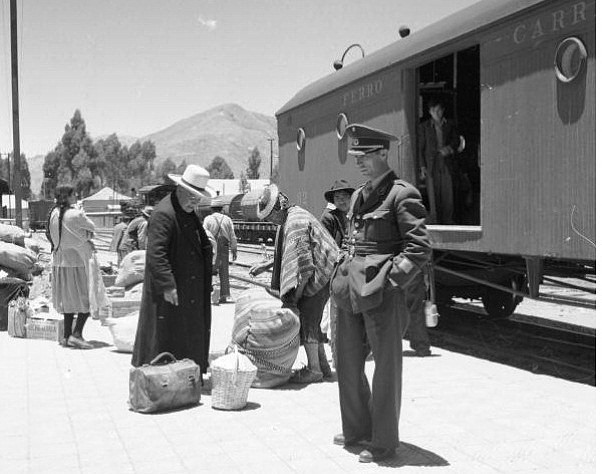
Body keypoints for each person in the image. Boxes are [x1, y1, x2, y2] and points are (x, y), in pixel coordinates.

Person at [330, 123, 431, 463]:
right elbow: (353, 241)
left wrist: (392, 281)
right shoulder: (359, 195)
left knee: (386, 367)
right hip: (351, 290)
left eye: (366, 155)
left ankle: (384, 441)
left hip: (382, 293)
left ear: (383, 154)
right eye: (357, 155)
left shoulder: (402, 194)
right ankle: (358, 429)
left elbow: (418, 248)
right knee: (346, 361)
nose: (359, 161)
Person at [249, 184, 339, 384]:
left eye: (270, 216)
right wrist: (267, 265)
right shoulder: (292, 216)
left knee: (306, 316)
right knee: (313, 321)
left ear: (279, 207)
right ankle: (323, 367)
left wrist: (293, 300)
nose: (270, 221)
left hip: (321, 274)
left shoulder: (294, 222)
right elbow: (294, 253)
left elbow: (304, 268)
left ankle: (314, 370)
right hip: (325, 270)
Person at [131, 164, 214, 373]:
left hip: (188, 288)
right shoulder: (164, 214)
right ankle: (161, 379)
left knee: (184, 335)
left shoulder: (187, 212)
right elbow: (156, 254)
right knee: (165, 337)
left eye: (198, 198)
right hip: (171, 291)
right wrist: (168, 285)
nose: (195, 202)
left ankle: (186, 375)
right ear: (180, 189)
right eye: (192, 196)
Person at [46, 185, 97, 349]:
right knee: (87, 299)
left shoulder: (53, 214)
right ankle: (77, 334)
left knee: (68, 302)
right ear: (67, 197)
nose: (76, 196)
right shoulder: (76, 214)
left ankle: (66, 336)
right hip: (76, 263)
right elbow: (92, 227)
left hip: (60, 263)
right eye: (74, 194)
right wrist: (86, 235)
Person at [320, 179, 355, 368]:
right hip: (336, 269)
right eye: (338, 197)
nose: (341, 200)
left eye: (345, 197)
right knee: (335, 313)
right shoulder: (329, 217)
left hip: (352, 267)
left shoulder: (351, 215)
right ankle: (337, 354)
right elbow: (324, 243)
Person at [418, 98, 460, 224]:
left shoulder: (450, 124)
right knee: (433, 194)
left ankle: (448, 221)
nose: (437, 113)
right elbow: (420, 148)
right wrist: (422, 167)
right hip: (432, 165)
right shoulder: (424, 127)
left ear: (443, 110)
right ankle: (436, 221)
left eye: (439, 110)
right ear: (430, 112)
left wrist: (450, 148)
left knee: (448, 194)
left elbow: (457, 141)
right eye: (434, 110)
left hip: (447, 163)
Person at [203, 201, 237, 304]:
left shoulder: (208, 219)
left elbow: (204, 234)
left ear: (211, 209)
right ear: (221, 209)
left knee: (211, 271)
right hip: (224, 248)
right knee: (224, 272)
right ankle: (223, 296)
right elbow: (232, 235)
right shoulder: (227, 219)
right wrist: (234, 249)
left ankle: (211, 294)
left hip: (211, 247)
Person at [406, 272, 431, 357]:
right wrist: (426, 276)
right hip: (413, 270)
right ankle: (421, 346)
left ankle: (388, 347)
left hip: (394, 270)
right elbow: (423, 259)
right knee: (416, 310)